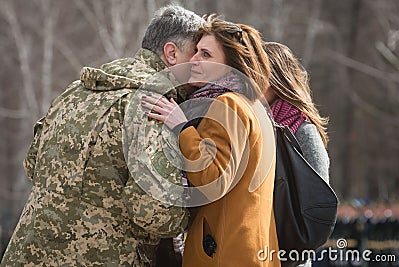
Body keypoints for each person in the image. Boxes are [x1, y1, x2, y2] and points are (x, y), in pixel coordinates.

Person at [0, 5, 203, 266]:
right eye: (195, 53)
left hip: (26, 254)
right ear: (171, 53)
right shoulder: (155, 106)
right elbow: (154, 212)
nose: (201, 65)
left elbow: (33, 164)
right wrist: (195, 213)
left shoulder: (79, 89)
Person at [141, 16, 280, 267]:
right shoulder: (254, 106)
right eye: (195, 52)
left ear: (232, 64)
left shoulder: (227, 105)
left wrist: (181, 126)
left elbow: (213, 177)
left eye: (205, 55)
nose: (193, 60)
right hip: (248, 248)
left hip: (223, 253)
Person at [263, 42, 330, 267]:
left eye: (259, 75)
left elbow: (317, 206)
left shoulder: (305, 132)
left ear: (278, 80)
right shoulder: (257, 124)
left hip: (290, 256)